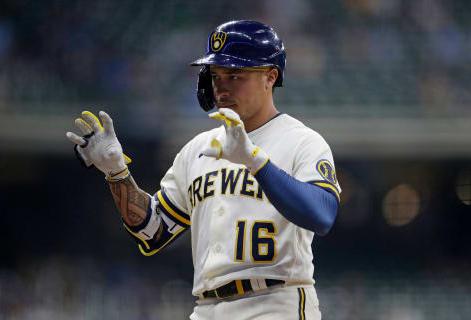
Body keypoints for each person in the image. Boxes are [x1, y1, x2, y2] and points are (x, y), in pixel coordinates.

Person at [66, 20, 341, 320]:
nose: (221, 85)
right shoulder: (197, 149)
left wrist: (256, 161)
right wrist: (117, 173)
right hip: (207, 309)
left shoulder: (302, 141)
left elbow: (322, 215)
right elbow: (152, 232)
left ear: (270, 77)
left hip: (276, 304)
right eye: (216, 74)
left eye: (235, 74)